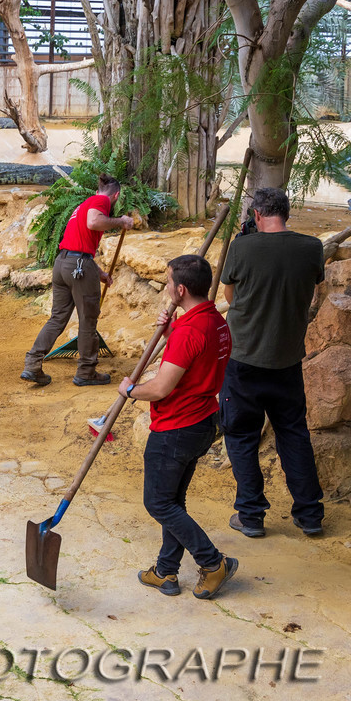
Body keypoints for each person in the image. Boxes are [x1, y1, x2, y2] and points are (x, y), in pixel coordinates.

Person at [120, 254, 237, 600]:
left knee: (159, 503)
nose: (167, 286)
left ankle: (213, 563)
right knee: (173, 499)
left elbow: (160, 388)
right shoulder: (215, 321)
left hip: (176, 428)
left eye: (169, 281)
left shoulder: (190, 331)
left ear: (181, 289)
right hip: (202, 421)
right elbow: (196, 356)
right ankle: (165, 571)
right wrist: (172, 330)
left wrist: (129, 390)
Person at [218, 187, 327, 539]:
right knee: (294, 434)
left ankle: (251, 515)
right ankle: (309, 515)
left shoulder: (242, 247)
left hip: (244, 359)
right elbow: (312, 290)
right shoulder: (312, 247)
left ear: (257, 215)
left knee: (241, 436)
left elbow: (230, 296)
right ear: (286, 213)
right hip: (287, 360)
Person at [21, 174, 136, 387]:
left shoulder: (85, 204)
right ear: (116, 195)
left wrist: (98, 271)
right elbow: (94, 223)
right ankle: (86, 371)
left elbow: (79, 244)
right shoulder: (101, 201)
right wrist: (121, 221)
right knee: (87, 319)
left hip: (63, 263)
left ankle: (32, 363)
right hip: (79, 266)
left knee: (57, 318)